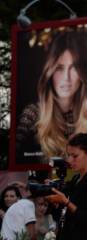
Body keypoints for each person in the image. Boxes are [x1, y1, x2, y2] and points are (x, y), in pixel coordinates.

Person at [16, 30, 87, 164]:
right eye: (59, 68)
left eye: (73, 68)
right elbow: (16, 160)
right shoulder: (32, 115)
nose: (66, 78)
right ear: (50, 71)